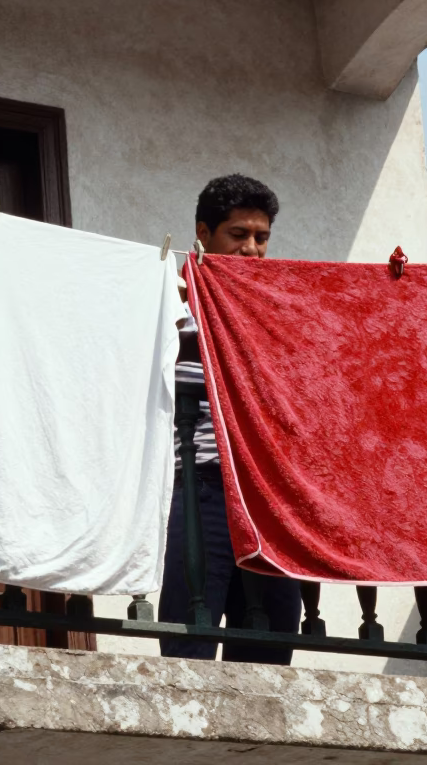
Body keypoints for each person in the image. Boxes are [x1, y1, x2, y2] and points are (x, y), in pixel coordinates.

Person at [158, 173, 302, 664]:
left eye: (261, 238)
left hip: (266, 493)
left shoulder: (275, 311)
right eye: (238, 235)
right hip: (200, 489)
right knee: (187, 642)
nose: (252, 250)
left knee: (274, 639)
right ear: (203, 233)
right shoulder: (173, 302)